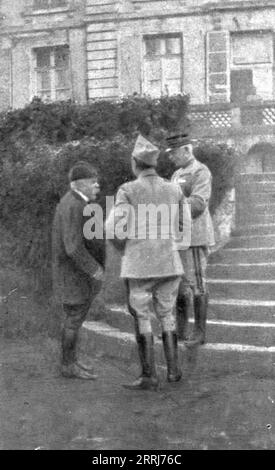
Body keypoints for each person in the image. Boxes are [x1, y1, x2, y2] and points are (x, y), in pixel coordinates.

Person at [106, 135, 191, 390]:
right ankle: (174, 371)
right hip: (169, 263)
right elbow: (185, 229)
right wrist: (170, 245)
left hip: (140, 265)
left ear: (135, 163)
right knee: (167, 315)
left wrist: (126, 247)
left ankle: (148, 376)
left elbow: (111, 228)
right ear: (154, 164)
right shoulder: (174, 188)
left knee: (142, 316)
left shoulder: (128, 190)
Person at [52, 161, 105, 379]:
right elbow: (73, 247)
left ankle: (71, 362)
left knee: (74, 319)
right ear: (79, 184)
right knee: (73, 320)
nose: (97, 187)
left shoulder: (71, 202)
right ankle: (68, 366)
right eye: (93, 183)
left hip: (71, 274)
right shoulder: (74, 205)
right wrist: (95, 270)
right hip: (73, 276)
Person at [166, 134, 215, 347]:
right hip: (179, 238)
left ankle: (200, 333)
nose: (171, 157)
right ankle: (181, 329)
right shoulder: (176, 174)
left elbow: (198, 204)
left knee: (198, 284)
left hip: (195, 236)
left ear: (187, 150)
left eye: (174, 152)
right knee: (180, 285)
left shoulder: (200, 171)